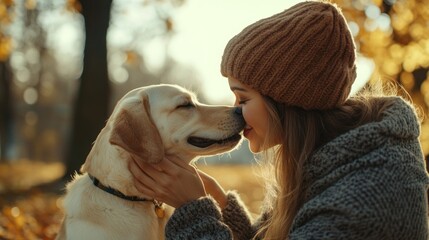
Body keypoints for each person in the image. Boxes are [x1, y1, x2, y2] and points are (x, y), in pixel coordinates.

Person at [128, 1, 429, 239]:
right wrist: (219, 203)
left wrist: (194, 212)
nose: (235, 111)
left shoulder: (368, 192)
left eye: (243, 99)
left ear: (286, 100)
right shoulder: (323, 162)